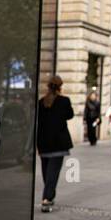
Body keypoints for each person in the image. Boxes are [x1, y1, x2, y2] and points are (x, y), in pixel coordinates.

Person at [36, 75, 73, 213]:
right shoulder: (64, 101)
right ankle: (47, 198)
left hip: (43, 142)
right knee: (53, 172)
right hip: (58, 143)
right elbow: (70, 115)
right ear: (60, 86)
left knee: (47, 172)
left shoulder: (41, 102)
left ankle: (49, 195)